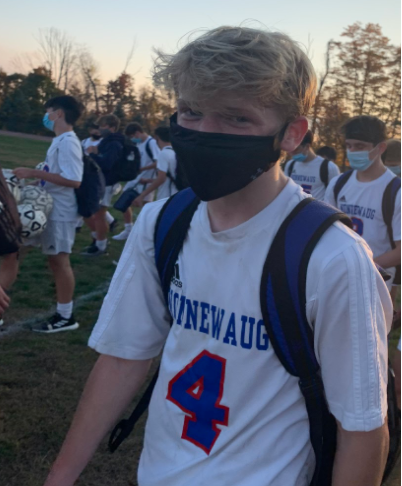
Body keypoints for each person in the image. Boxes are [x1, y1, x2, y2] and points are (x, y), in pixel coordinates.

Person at [43, 27, 391, 486]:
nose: (204, 133)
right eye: (191, 111)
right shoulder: (160, 223)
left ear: (291, 134)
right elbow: (123, 358)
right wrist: (60, 476)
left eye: (235, 118)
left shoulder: (333, 258)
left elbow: (361, 428)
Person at [13, 95, 84, 333]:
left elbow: (74, 180)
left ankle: (65, 316)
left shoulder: (68, 142)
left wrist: (35, 172)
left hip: (60, 212)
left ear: (59, 114)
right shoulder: (60, 140)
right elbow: (55, 174)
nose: (46, 116)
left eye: (49, 111)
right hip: (44, 207)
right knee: (15, 250)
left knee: (58, 261)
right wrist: (33, 183)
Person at [324, 116, 401, 292]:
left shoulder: (395, 191)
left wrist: (364, 266)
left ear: (380, 147)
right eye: (349, 145)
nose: (352, 151)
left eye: (360, 146)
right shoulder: (338, 184)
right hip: (338, 280)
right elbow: (326, 231)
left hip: (375, 285)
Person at [81, 114, 125, 256]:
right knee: (96, 213)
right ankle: (99, 243)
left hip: (108, 182)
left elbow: (107, 164)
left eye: (103, 126)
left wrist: (92, 155)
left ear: (112, 128)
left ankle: (101, 247)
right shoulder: (108, 141)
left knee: (100, 214)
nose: (100, 129)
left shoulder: (114, 143)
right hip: (102, 181)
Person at [112, 123, 160, 241]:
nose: (132, 139)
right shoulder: (139, 143)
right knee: (125, 201)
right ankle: (128, 229)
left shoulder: (151, 143)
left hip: (146, 181)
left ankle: (146, 234)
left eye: (133, 136)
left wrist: (142, 169)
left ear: (138, 133)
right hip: (135, 179)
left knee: (145, 207)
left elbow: (158, 161)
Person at [77, 123, 118, 234]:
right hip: (84, 172)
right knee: (89, 202)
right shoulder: (84, 141)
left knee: (95, 205)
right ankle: (111, 221)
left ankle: (98, 236)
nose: (96, 133)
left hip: (96, 175)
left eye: (98, 132)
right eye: (94, 131)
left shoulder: (102, 143)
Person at [284, 130, 340, 200]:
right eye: (290, 149)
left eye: (296, 149)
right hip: (295, 209)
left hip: (316, 209)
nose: (291, 153)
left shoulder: (328, 167)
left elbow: (336, 195)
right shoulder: (290, 165)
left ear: (307, 146)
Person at [133, 126, 178, 207]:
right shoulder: (176, 153)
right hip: (178, 195)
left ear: (157, 137)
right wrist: (149, 180)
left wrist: (142, 195)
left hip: (166, 196)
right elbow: (171, 176)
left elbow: (161, 178)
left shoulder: (163, 154)